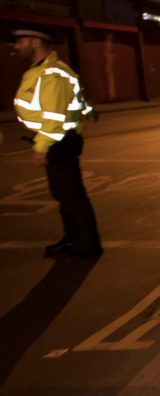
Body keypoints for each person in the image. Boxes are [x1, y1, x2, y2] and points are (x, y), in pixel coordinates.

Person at [12, 26, 101, 260]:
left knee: (71, 195)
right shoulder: (44, 70)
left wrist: (41, 147)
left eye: (21, 42)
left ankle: (87, 245)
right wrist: (88, 110)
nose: (16, 46)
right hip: (58, 139)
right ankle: (71, 238)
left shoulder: (52, 73)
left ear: (35, 42)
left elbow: (54, 116)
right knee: (64, 195)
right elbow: (76, 97)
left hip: (58, 141)